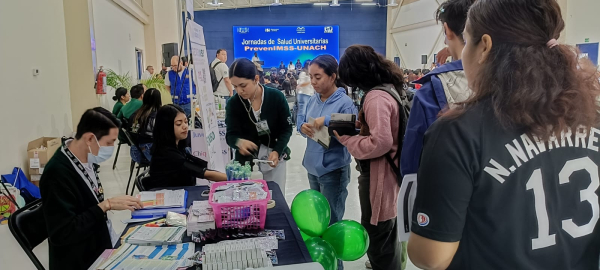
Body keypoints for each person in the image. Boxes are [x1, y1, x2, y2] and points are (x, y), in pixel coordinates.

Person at [407, 0, 600, 269]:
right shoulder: (591, 117)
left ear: (484, 46)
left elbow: (431, 256)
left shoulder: (459, 132)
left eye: (467, 40)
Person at [40, 107, 143, 270]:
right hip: (82, 259)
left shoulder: (85, 159)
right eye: (109, 143)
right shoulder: (57, 173)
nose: (111, 148)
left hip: (101, 244)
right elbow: (63, 233)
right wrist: (105, 206)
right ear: (90, 139)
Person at [335, 45, 405, 270]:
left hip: (379, 174)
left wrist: (347, 140)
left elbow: (381, 142)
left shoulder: (375, 97)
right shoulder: (390, 88)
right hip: (391, 172)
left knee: (377, 232)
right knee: (387, 229)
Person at [400, 0, 474, 177]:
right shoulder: (511, 79)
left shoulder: (431, 90)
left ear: (447, 30)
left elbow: (412, 162)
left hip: (446, 190)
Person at [297, 55, 357, 225]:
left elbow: (353, 130)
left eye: (318, 77)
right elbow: (301, 122)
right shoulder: (312, 100)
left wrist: (328, 120)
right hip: (312, 167)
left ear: (332, 77)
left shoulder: (345, 103)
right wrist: (302, 128)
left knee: (332, 220)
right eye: (311, 77)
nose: (313, 82)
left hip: (333, 169)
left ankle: (333, 251)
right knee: (318, 218)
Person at [225, 58, 293, 193]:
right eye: (235, 86)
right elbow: (230, 135)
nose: (239, 91)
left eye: (243, 86)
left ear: (256, 79)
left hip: (274, 160)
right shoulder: (233, 103)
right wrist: (239, 142)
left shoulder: (276, 97)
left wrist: (277, 150)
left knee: (275, 199)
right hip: (246, 164)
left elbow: (286, 129)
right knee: (249, 204)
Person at [148, 104, 226, 190]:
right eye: (178, 124)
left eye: (186, 122)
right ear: (166, 127)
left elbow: (201, 168)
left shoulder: (178, 147)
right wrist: (234, 178)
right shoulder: (166, 154)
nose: (185, 126)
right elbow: (204, 173)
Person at [129, 88, 162, 162]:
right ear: (159, 100)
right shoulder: (156, 116)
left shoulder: (136, 114)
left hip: (136, 151)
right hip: (148, 151)